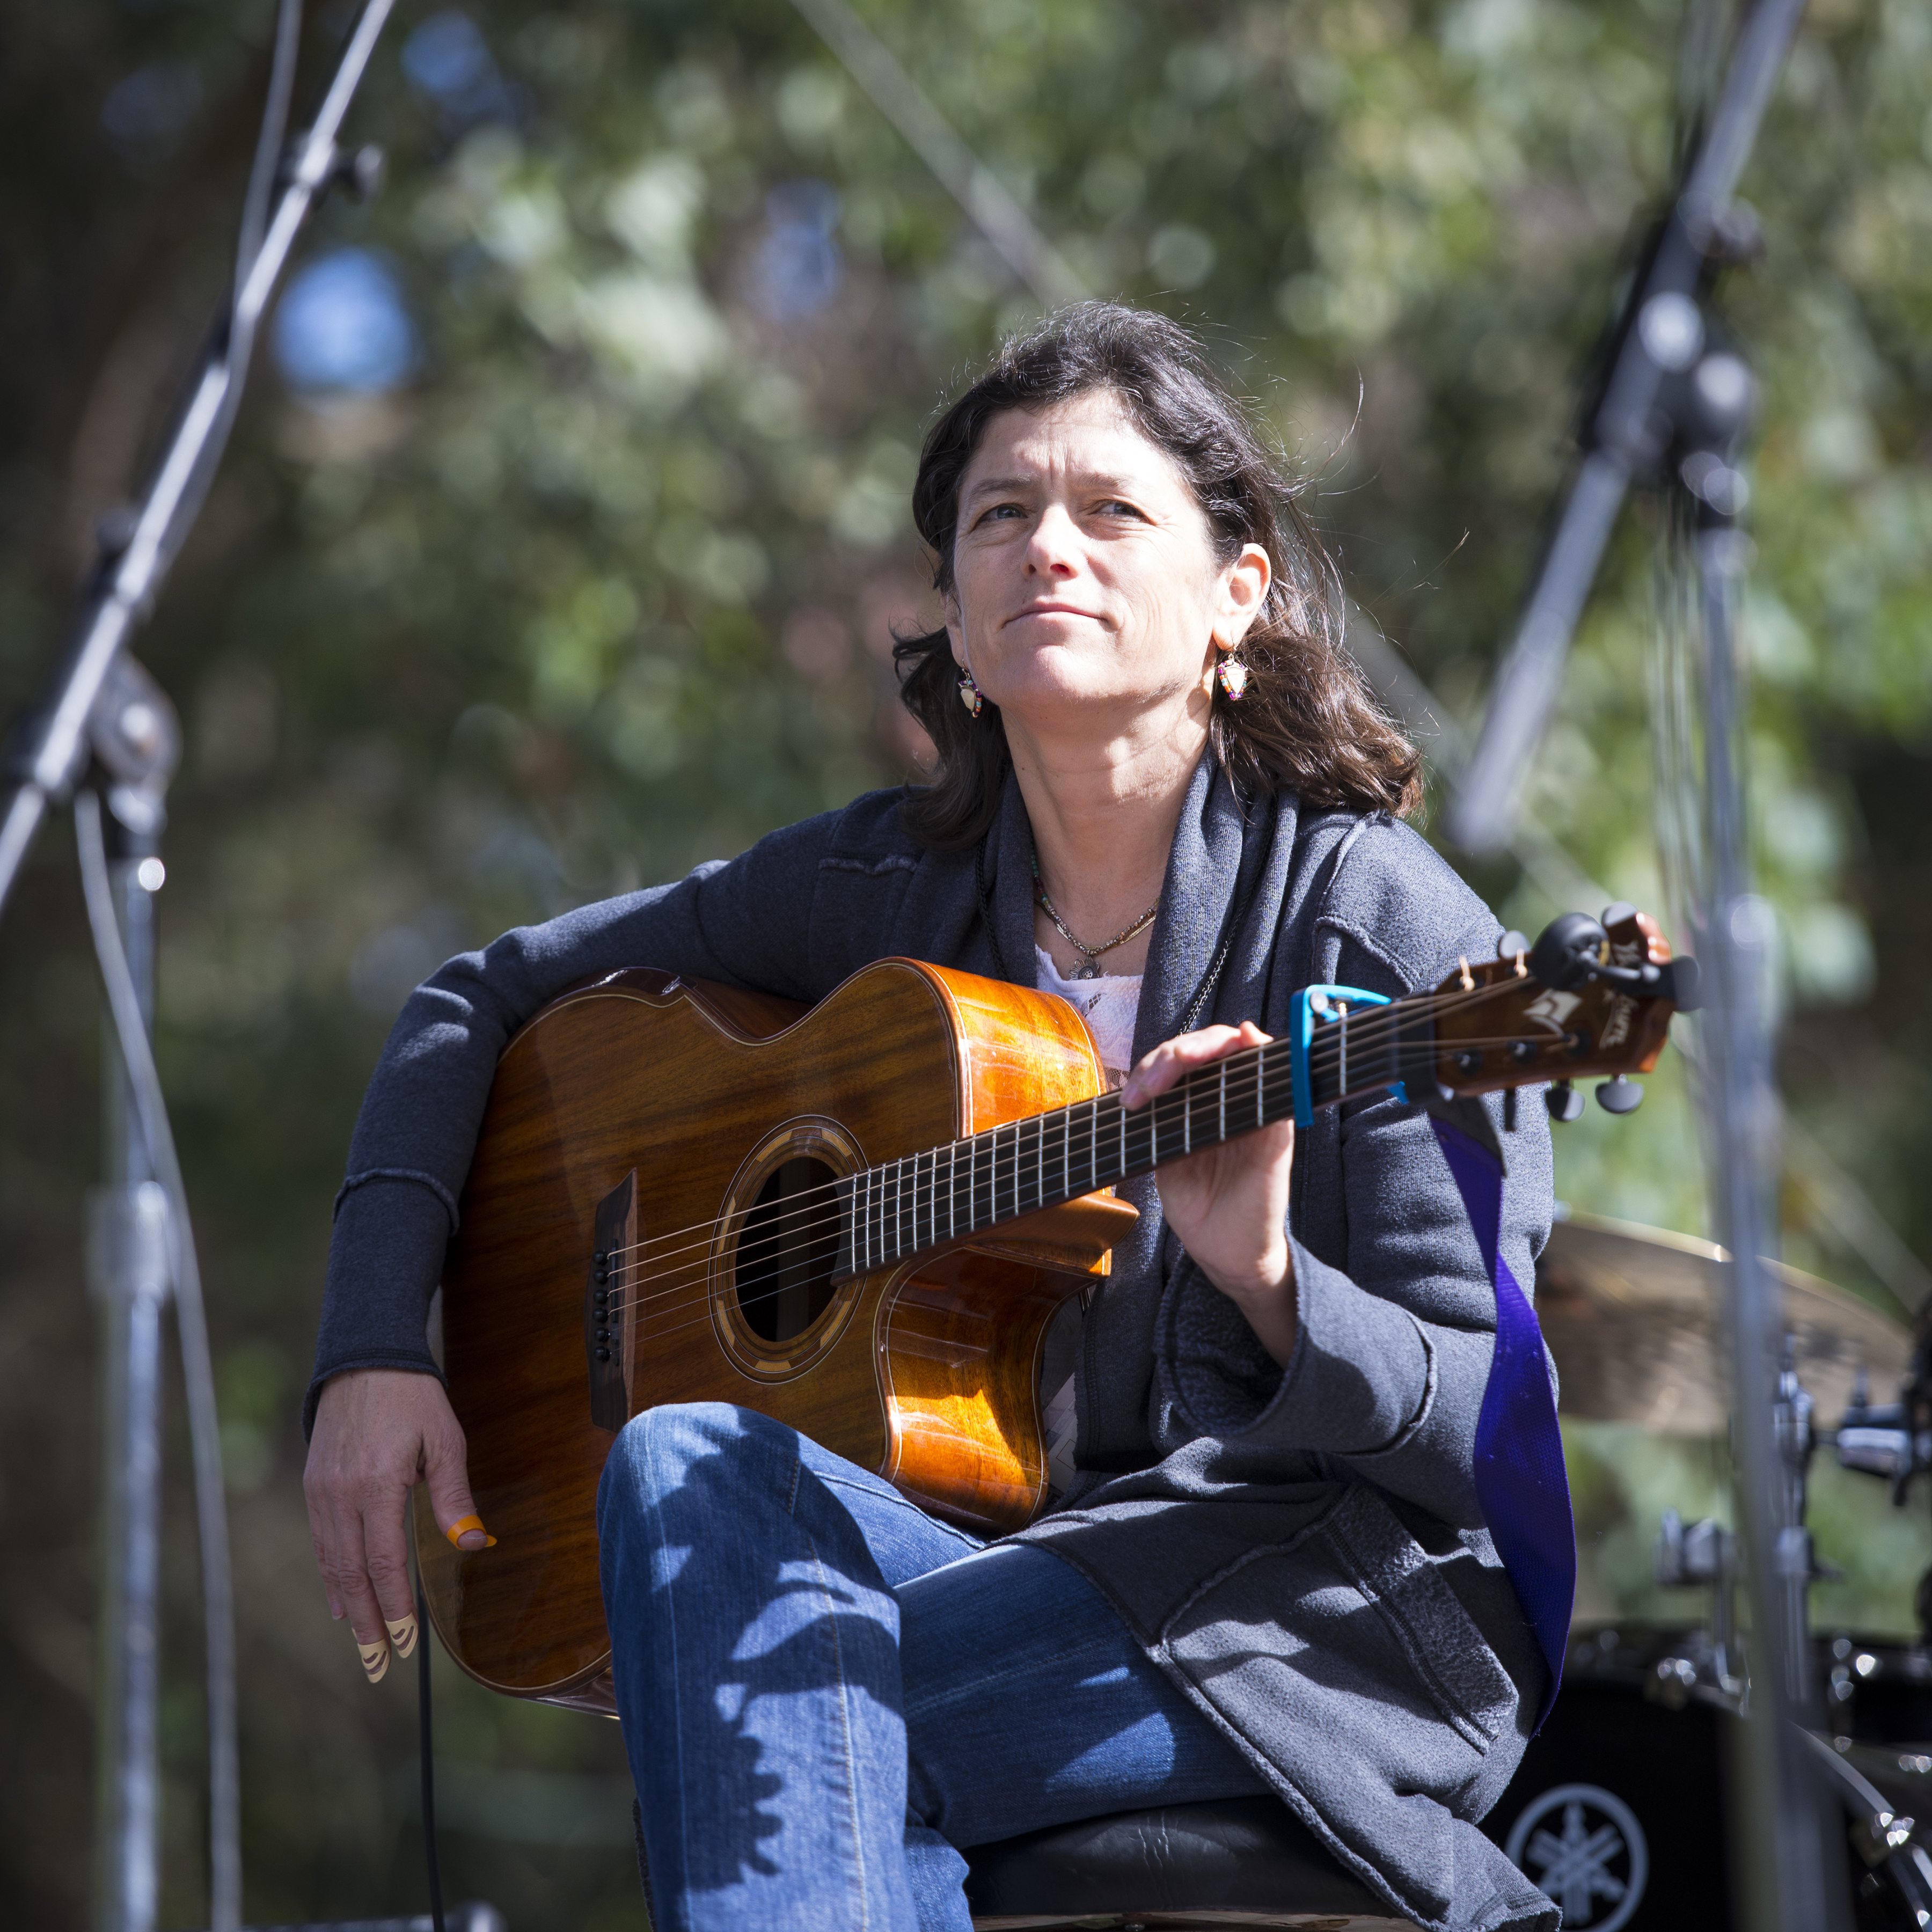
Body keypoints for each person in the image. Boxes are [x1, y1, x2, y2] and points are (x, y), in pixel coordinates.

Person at [303, 303, 1558, 1932]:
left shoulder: (1382, 939)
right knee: (686, 1469)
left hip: (1303, 1613)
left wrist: (1268, 1281)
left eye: (1112, 510)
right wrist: (374, 1344)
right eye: (1001, 516)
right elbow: (478, 997)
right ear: (958, 622)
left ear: (1236, 594)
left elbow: (1491, 1441)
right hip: (993, 1563)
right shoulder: (876, 890)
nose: (1053, 547)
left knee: (766, 1703)